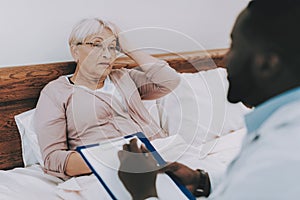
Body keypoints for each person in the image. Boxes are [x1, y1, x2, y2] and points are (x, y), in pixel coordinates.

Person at [117, 1, 300, 199]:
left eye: (234, 47)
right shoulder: (279, 134)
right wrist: (202, 181)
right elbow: (256, 186)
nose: (226, 60)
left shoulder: (282, 154)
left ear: (268, 64)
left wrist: (144, 193)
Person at [34, 18, 180, 179]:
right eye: (97, 45)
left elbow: (169, 80)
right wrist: (111, 159)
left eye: (112, 47)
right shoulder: (56, 92)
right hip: (114, 172)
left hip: (163, 156)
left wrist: (128, 48)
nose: (107, 54)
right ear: (75, 51)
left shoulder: (124, 76)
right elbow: (53, 158)